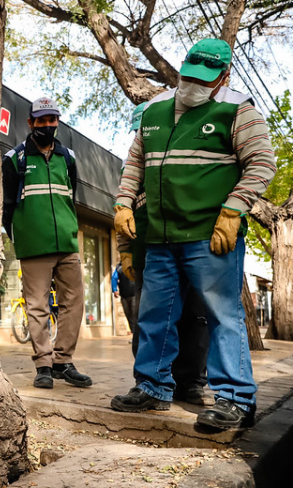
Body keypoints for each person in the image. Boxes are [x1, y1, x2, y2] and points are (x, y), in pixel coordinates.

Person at [110, 38, 277, 430]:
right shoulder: (153, 110)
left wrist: (234, 209)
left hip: (211, 234)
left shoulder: (239, 110)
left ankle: (235, 398)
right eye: (188, 76)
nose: (193, 85)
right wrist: (122, 203)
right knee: (155, 315)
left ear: (224, 77)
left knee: (222, 315)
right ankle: (153, 387)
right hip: (162, 237)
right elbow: (134, 164)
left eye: (204, 79)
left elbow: (262, 164)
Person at [117, 103, 211, 405]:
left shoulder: (183, 156)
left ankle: (191, 382)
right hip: (149, 249)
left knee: (195, 317)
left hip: (192, 244)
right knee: (152, 319)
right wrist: (126, 252)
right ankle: (150, 383)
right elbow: (123, 210)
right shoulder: (130, 168)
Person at [2, 95, 92, 390]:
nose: (48, 125)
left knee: (73, 303)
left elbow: (71, 195)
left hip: (67, 244)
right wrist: (20, 236)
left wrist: (70, 229)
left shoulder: (69, 157)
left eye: (52, 120)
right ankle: (43, 363)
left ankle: (63, 361)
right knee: (37, 306)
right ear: (31, 123)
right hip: (34, 246)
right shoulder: (15, 159)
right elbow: (6, 206)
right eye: (42, 120)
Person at [111, 261, 137, 334]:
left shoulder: (134, 265)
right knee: (128, 315)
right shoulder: (119, 268)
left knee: (134, 314)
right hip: (124, 295)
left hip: (134, 294)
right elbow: (114, 278)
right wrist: (115, 290)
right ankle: (134, 333)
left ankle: (136, 335)